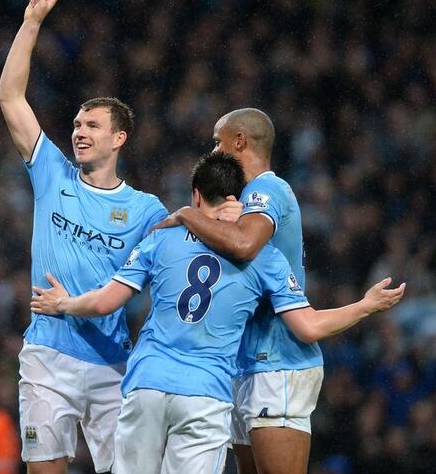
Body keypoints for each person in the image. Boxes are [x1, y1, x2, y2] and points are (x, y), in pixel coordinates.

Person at [30, 152, 405, 474]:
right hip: (204, 394)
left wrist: (62, 303)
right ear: (236, 198)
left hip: (146, 383)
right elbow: (308, 327)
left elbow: (103, 303)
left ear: (196, 194)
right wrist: (365, 306)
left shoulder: (161, 238)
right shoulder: (263, 257)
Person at [0, 0, 175, 474]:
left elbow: (177, 269)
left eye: (92, 126)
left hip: (112, 362)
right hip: (48, 353)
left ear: (119, 139)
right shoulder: (52, 172)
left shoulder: (146, 210)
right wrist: (32, 23)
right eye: (76, 124)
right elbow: (10, 97)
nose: (78, 132)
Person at [152, 108, 333, 474]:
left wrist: (189, 214)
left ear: (240, 141)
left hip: (278, 359)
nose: (215, 150)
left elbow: (246, 245)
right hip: (244, 359)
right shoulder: (241, 198)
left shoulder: (268, 189)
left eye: (218, 141)